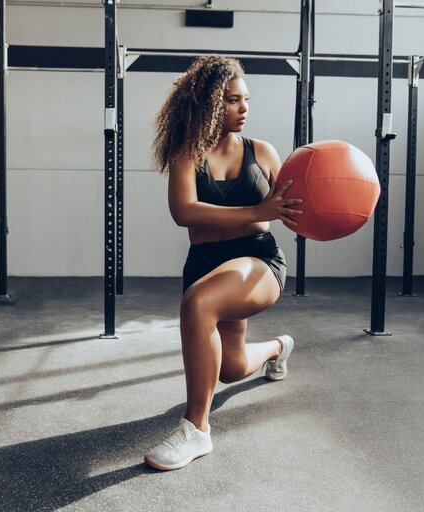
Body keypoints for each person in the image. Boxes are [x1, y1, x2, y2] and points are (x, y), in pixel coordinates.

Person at [144, 56, 304, 471]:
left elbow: (295, 205)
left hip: (257, 260)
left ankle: (196, 430)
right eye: (233, 100)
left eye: (246, 99)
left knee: (198, 303)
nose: (244, 108)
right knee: (231, 368)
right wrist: (259, 206)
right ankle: (278, 348)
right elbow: (185, 212)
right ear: (209, 105)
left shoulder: (263, 153)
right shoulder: (186, 154)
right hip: (206, 264)